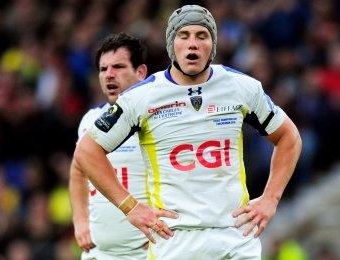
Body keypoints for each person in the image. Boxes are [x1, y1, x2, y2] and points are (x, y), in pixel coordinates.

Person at [73, 5, 302, 259]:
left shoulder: (240, 87)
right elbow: (86, 151)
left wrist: (271, 198)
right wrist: (131, 208)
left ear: (212, 46)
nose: (192, 43)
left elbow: (289, 137)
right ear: (172, 45)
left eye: (201, 36)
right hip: (175, 241)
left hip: (235, 237)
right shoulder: (142, 97)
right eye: (184, 36)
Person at [70, 33, 177, 259]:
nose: (109, 74)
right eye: (103, 69)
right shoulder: (90, 121)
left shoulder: (160, 120)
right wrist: (80, 221)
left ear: (141, 72)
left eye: (118, 67)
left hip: (148, 252)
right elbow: (78, 171)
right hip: (99, 253)